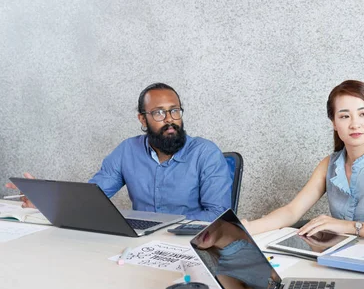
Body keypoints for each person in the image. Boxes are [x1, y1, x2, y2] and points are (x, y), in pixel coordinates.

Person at [6, 83, 232, 221]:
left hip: (189, 244)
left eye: (175, 111)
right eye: (159, 113)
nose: (170, 120)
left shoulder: (205, 153)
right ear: (142, 118)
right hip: (139, 242)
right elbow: (92, 196)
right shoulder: (127, 151)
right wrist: (44, 200)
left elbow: (218, 215)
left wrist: (167, 223)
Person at [244, 80, 364, 242]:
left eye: (363, 114)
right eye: (344, 116)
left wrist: (349, 227)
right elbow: (292, 211)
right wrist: (247, 228)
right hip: (340, 255)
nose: (355, 124)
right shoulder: (329, 164)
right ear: (334, 123)